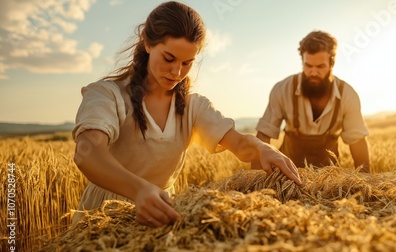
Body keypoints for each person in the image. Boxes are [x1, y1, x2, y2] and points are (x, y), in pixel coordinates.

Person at [72, 1, 301, 228]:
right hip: (102, 217)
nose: (177, 72)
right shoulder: (106, 95)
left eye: (187, 63)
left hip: (160, 216)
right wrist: (139, 191)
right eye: (169, 58)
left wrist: (262, 148)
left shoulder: (193, 107)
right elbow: (88, 155)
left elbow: (239, 144)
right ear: (147, 43)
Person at [252, 31, 370, 172]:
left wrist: (365, 182)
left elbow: (357, 141)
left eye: (320, 67)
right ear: (302, 62)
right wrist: (256, 182)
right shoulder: (282, 90)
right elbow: (263, 137)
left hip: (329, 180)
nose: (313, 72)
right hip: (286, 175)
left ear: (332, 63)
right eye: (308, 66)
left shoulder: (348, 95)